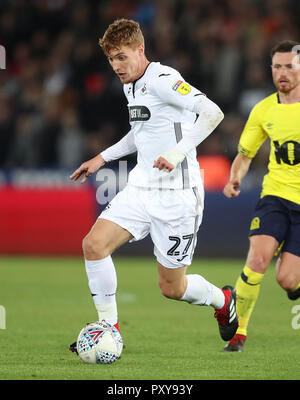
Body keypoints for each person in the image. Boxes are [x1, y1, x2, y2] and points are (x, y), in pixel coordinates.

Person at [69, 18, 238, 354]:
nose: (116, 66)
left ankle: (223, 299)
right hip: (141, 188)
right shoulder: (130, 84)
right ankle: (108, 329)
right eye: (111, 60)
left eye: (122, 57)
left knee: (172, 288)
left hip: (178, 196)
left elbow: (212, 113)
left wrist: (176, 153)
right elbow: (141, 132)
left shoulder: (164, 79)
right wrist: (102, 157)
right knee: (94, 245)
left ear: (140, 49)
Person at [223, 40, 300, 352]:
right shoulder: (263, 110)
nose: (282, 72)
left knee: (286, 279)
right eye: (277, 66)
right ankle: (238, 332)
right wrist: (234, 179)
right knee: (256, 259)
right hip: (276, 196)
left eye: (289, 66)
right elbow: (245, 154)